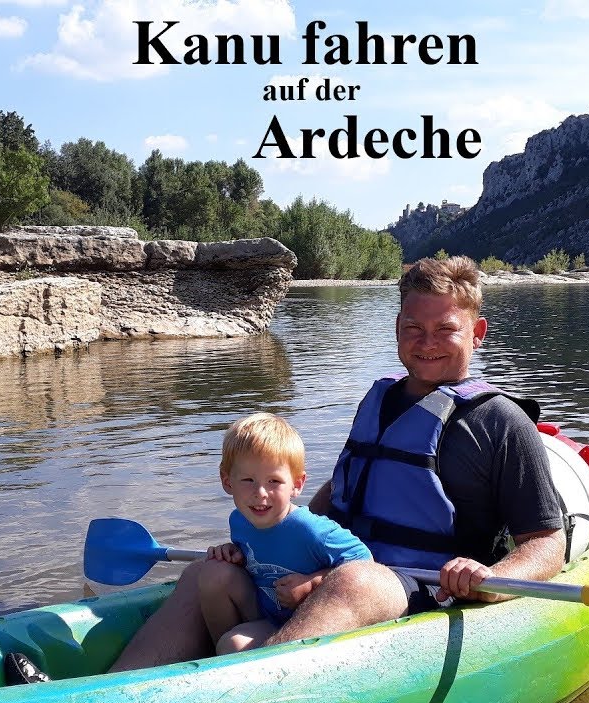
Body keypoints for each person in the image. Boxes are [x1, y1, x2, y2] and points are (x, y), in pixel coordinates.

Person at [110, 257, 565, 671]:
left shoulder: (501, 422)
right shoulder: (380, 399)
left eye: (445, 329)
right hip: (326, 570)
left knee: (356, 580)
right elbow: (344, 487)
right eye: (413, 328)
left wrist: (491, 579)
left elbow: (547, 542)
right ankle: (103, 693)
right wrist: (276, 539)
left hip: (418, 588)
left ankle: (248, 689)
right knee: (205, 575)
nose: (427, 343)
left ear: (477, 332)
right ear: (396, 328)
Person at [199, 413, 371, 655]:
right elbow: (257, 551)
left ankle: (230, 654)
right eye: (248, 480)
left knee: (234, 644)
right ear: (227, 482)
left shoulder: (310, 529)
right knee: (211, 572)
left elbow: (364, 562)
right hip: (266, 614)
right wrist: (233, 551)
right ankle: (219, 654)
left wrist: (312, 583)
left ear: (297, 485)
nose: (260, 493)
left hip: (309, 622)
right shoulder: (240, 520)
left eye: (274, 481)